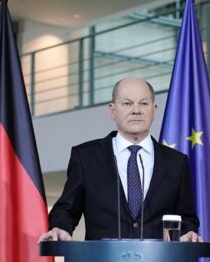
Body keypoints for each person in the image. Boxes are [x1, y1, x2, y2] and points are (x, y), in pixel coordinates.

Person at [39, 77, 201, 242]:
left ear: (154, 110)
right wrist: (60, 228)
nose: (136, 110)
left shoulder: (176, 162)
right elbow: (66, 209)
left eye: (144, 103)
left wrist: (188, 231)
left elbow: (187, 217)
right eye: (127, 103)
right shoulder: (86, 157)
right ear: (112, 110)